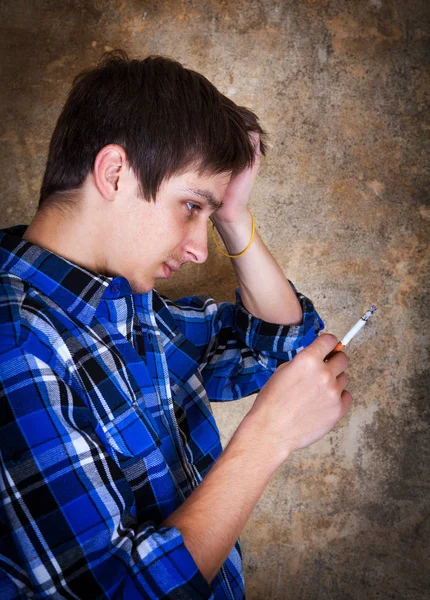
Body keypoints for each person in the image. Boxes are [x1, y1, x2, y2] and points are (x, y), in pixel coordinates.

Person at [0, 51, 351, 599]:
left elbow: (283, 347)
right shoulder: (16, 343)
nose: (196, 249)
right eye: (191, 207)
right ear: (114, 173)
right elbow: (122, 591)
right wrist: (268, 438)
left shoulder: (128, 305)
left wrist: (233, 216)